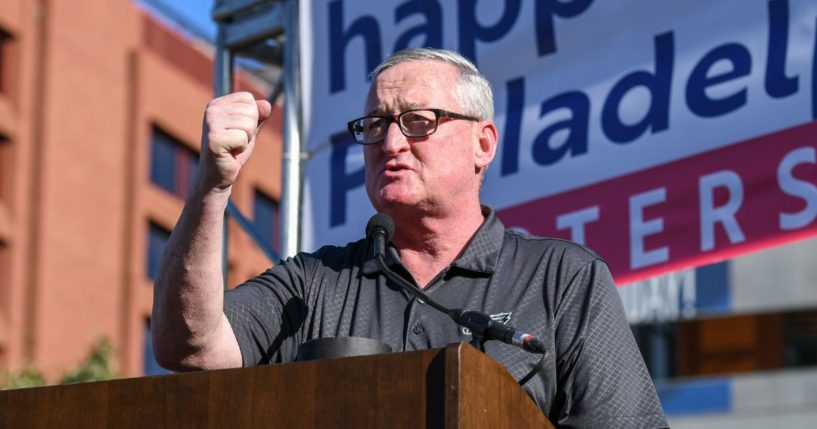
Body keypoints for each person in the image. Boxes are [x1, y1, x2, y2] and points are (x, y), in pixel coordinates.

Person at [152, 48, 668, 427]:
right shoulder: (313, 282)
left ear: (482, 144)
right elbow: (190, 348)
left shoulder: (561, 278)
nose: (391, 143)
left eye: (418, 122)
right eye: (375, 125)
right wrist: (212, 186)